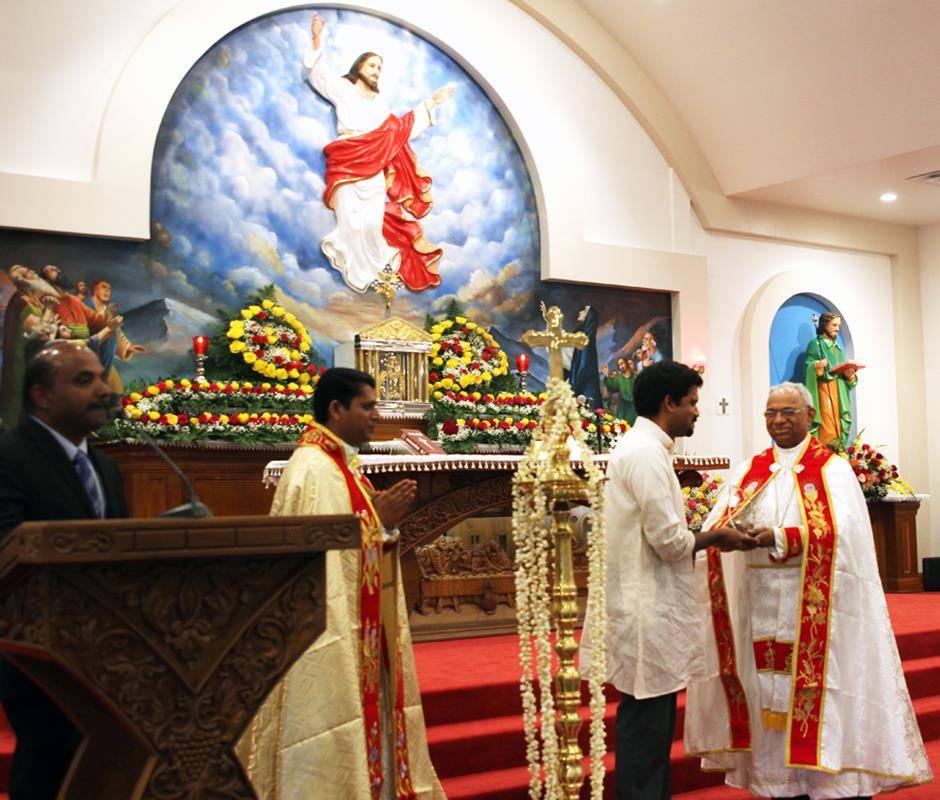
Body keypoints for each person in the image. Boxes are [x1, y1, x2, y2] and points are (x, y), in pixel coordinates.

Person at [684, 382, 931, 799]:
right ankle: (780, 783)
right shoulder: (751, 470)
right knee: (768, 697)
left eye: (788, 412)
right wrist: (726, 535)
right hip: (760, 609)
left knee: (821, 698)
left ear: (810, 416)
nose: (778, 420)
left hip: (816, 610)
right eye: (770, 413)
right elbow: (719, 520)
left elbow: (845, 536)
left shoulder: (833, 470)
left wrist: (780, 537)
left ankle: (830, 784)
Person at [239, 367, 444, 799]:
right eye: (367, 407)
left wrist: (380, 525)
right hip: (324, 635)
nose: (376, 416)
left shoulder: (337, 464)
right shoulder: (313, 471)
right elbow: (322, 561)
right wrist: (376, 521)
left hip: (355, 629)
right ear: (336, 409)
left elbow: (350, 538)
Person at [579, 360, 758, 800]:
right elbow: (669, 541)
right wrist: (718, 536)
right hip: (646, 608)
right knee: (646, 731)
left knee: (652, 729)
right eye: (692, 402)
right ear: (669, 403)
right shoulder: (645, 453)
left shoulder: (645, 447)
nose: (697, 411)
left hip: (643, 601)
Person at [0, 341, 129, 800]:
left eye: (101, 377)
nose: (103, 390)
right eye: (83, 380)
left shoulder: (105, 466)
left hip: (105, 649)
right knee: (49, 764)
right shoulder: (10, 456)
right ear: (42, 396)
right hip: (38, 651)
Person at [305, 11, 454, 293]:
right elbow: (318, 75)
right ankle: (355, 270)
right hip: (348, 161)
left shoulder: (379, 103)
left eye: (379, 68)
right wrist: (316, 38)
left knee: (372, 224)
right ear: (359, 66)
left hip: (373, 168)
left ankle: (378, 271)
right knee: (350, 223)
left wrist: (431, 102)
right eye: (372, 65)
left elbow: (398, 130)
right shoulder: (343, 88)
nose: (376, 71)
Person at [803, 311, 857, 448]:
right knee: (828, 424)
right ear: (824, 324)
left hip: (840, 393)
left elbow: (846, 377)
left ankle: (839, 450)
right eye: (834, 325)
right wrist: (817, 366)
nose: (837, 329)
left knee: (840, 424)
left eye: (838, 326)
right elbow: (808, 366)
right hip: (824, 391)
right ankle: (826, 452)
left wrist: (850, 375)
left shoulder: (838, 348)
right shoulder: (815, 344)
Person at [569, 304, 602, 409]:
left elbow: (583, 367)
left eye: (584, 311)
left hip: (585, 393)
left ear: (589, 317)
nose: (580, 312)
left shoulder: (585, 341)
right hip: (585, 390)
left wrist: (574, 390)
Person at [602, 357, 637, 424]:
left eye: (622, 363)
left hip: (635, 408)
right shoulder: (618, 378)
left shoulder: (636, 377)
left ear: (626, 363)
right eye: (619, 365)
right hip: (624, 409)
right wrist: (607, 375)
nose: (621, 366)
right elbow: (612, 386)